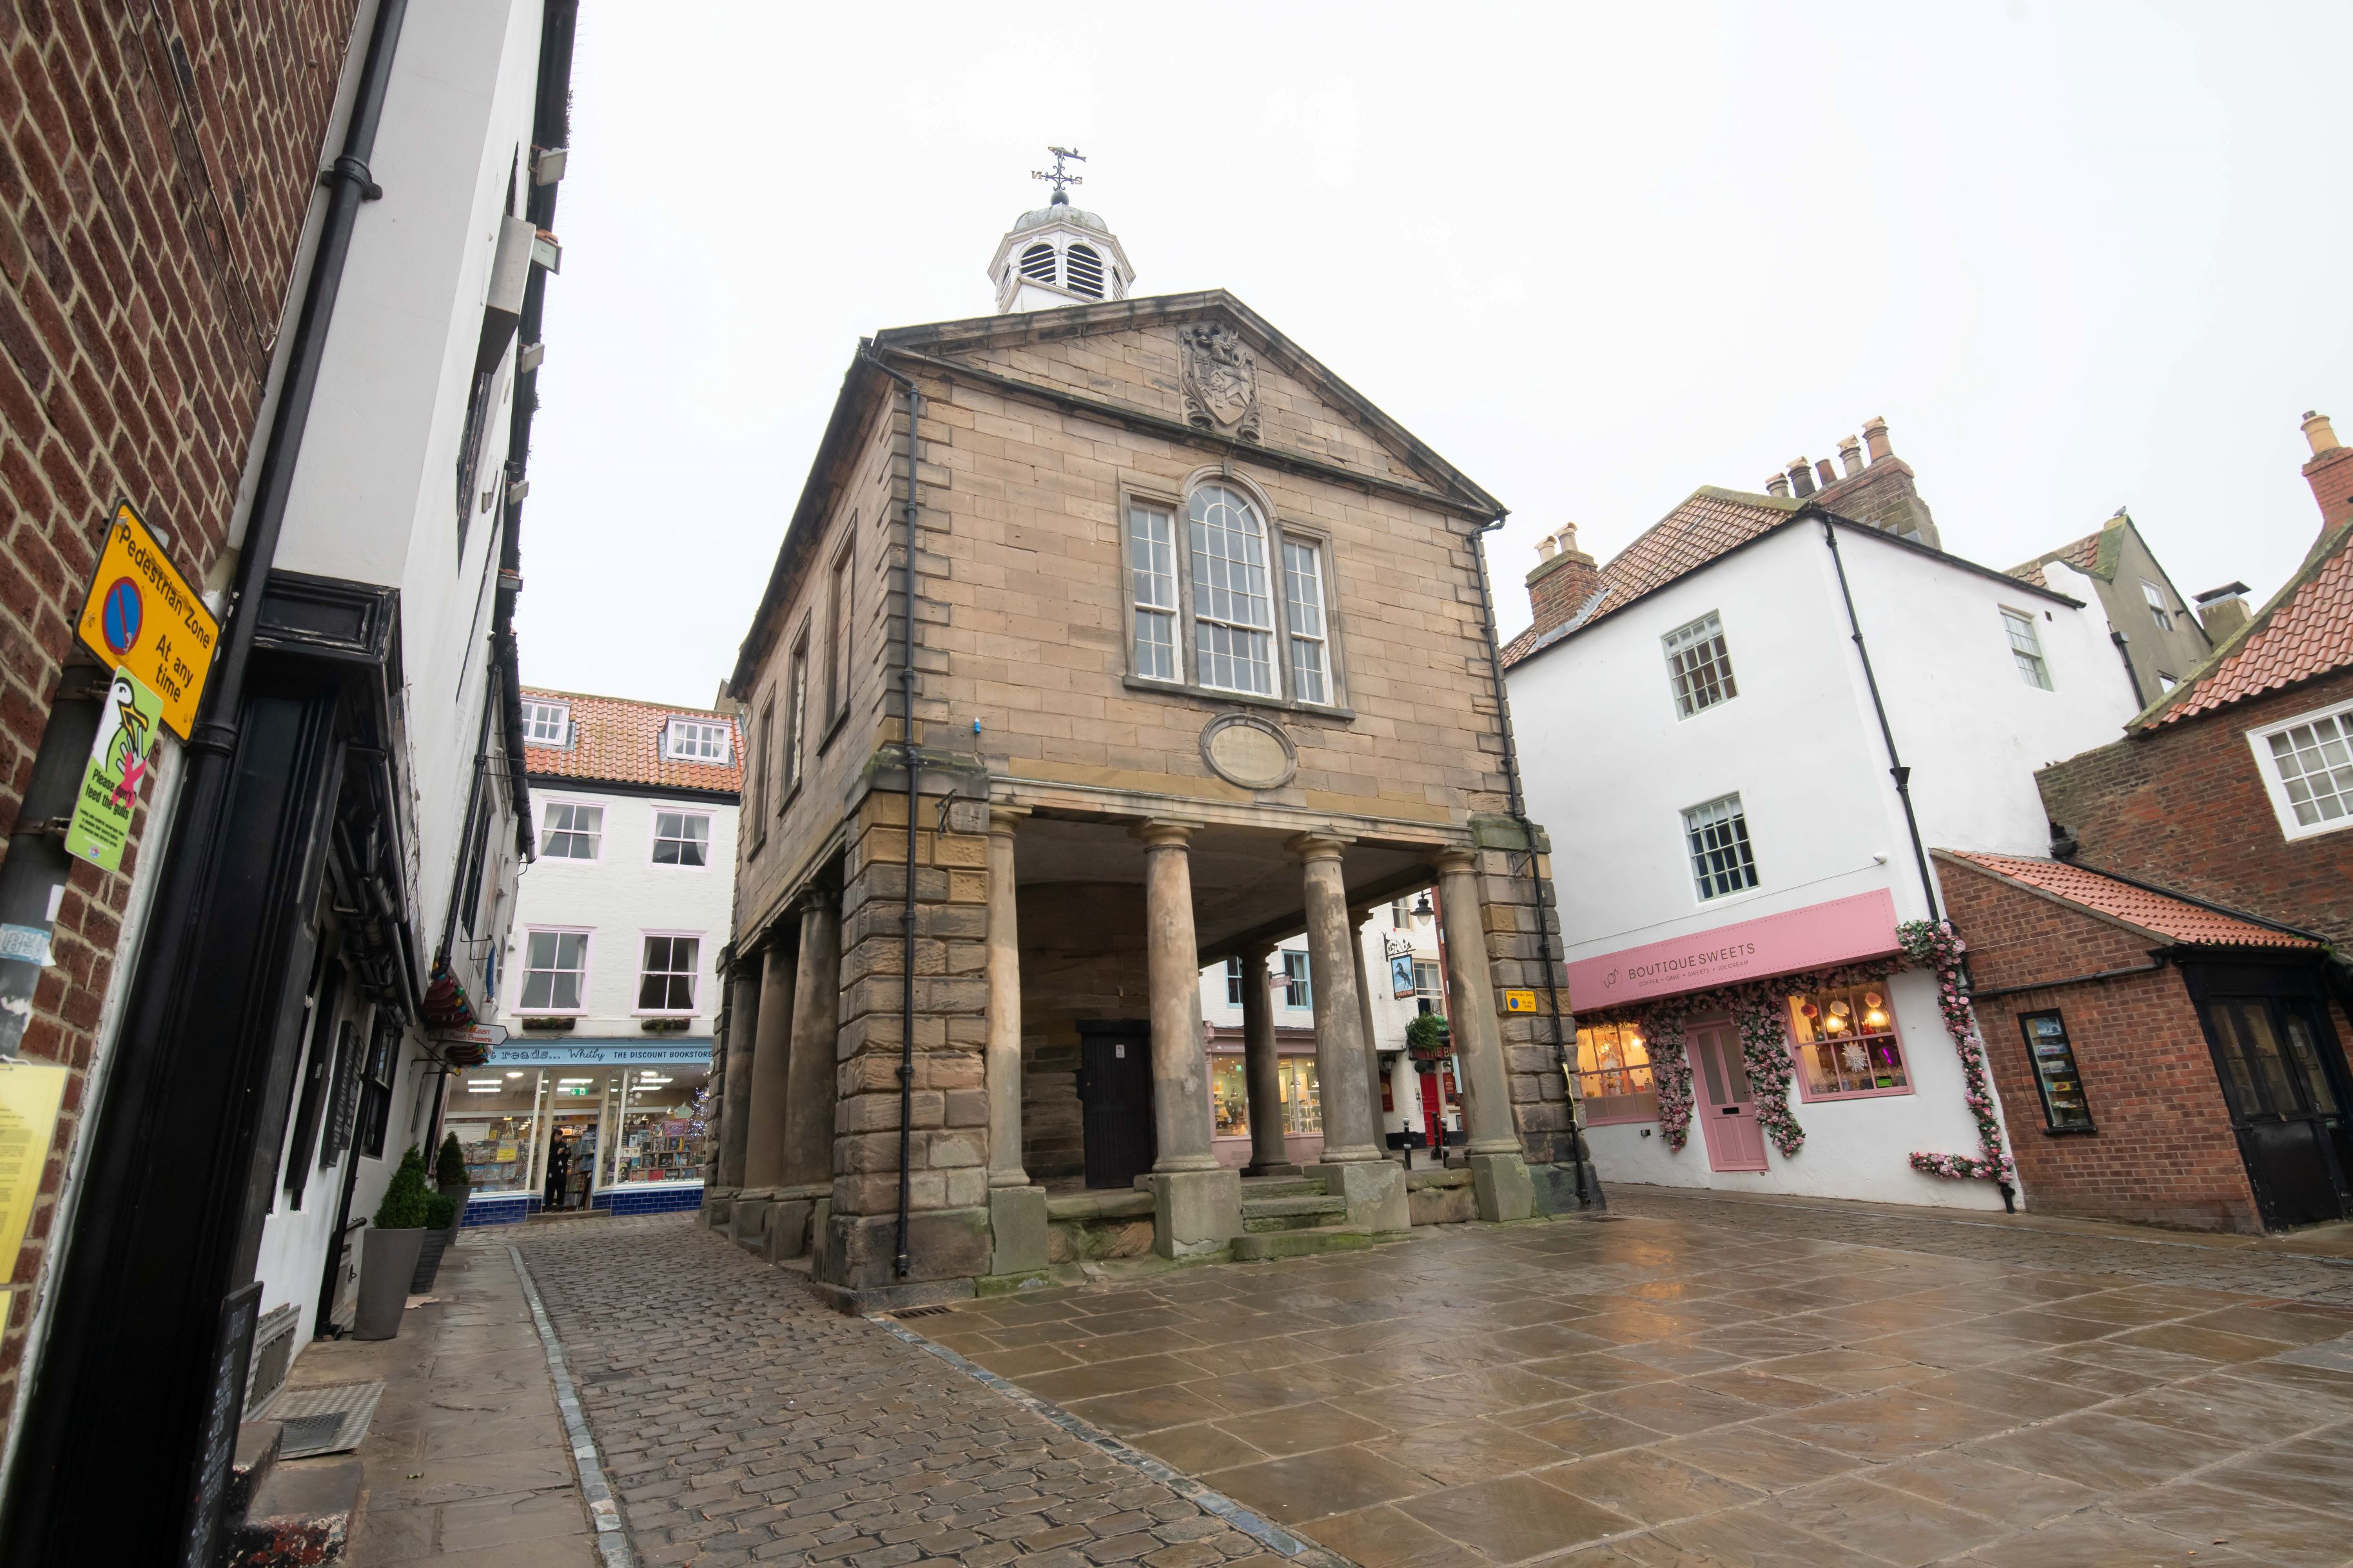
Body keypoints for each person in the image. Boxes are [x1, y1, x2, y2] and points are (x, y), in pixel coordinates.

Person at [543, 1130, 572, 1210]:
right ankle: (549, 1206)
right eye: (557, 1136)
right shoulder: (549, 1145)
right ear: (553, 1136)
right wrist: (558, 1153)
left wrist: (567, 1153)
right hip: (552, 1171)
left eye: (560, 1136)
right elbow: (548, 1157)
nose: (559, 1138)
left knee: (561, 1189)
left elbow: (569, 1155)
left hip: (562, 1171)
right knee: (551, 1189)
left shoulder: (563, 1144)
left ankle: (560, 1205)